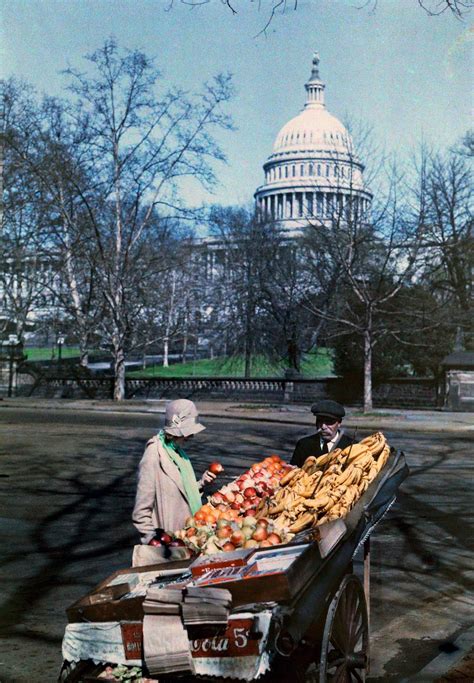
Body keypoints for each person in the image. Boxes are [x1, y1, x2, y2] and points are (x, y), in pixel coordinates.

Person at [132, 399, 217, 544]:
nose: (191, 436)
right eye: (188, 432)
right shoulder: (154, 454)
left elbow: (179, 491)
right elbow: (141, 512)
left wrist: (201, 483)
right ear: (176, 431)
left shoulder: (178, 453)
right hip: (169, 542)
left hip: (188, 537)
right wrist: (154, 541)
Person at [290, 399, 354, 468]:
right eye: (319, 421)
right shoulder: (304, 445)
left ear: (339, 423)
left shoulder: (352, 446)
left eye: (329, 422)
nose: (323, 427)